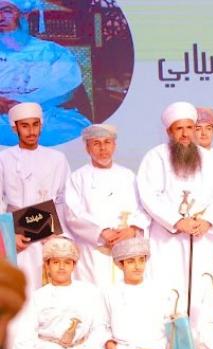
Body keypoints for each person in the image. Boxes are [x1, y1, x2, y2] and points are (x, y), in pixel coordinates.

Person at [137, 102, 213, 312]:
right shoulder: (155, 157)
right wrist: (177, 221)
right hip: (167, 239)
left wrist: (208, 221)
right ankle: (173, 333)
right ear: (169, 132)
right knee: (169, 290)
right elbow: (149, 195)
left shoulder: (210, 159)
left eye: (189, 128)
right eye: (179, 129)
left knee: (203, 292)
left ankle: (201, 333)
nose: (185, 134)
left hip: (202, 237)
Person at [7, 237, 106, 349]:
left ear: (74, 265)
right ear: (47, 265)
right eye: (56, 262)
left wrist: (92, 348)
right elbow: (24, 340)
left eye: (67, 262)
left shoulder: (90, 292)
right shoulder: (37, 297)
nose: (61, 267)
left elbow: (101, 326)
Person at [64, 124, 149, 290]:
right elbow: (73, 214)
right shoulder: (78, 178)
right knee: (95, 295)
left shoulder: (128, 175)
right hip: (94, 253)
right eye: (96, 143)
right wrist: (102, 232)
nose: (103, 148)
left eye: (107, 142)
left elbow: (143, 208)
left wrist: (132, 229)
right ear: (87, 148)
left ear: (114, 145)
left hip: (127, 249)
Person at [0, 102, 70, 299]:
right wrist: (9, 235)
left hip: (49, 236)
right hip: (17, 238)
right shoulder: (4, 158)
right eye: (25, 126)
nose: (31, 131)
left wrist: (57, 233)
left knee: (49, 296)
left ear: (41, 125)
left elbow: (64, 200)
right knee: (20, 294)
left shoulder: (57, 158)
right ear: (15, 128)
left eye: (35, 125)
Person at [103, 237, 181, 349]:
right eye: (131, 261)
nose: (138, 266)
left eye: (141, 260)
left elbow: (170, 321)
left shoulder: (160, 289)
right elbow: (102, 324)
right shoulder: (110, 292)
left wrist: (172, 339)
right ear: (121, 264)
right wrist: (108, 342)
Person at [0, 0, 90, 146]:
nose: (0, 18)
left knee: (74, 134)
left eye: (7, 11)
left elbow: (65, 84)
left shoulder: (51, 51)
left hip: (43, 115)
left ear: (22, 15)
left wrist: (21, 103)